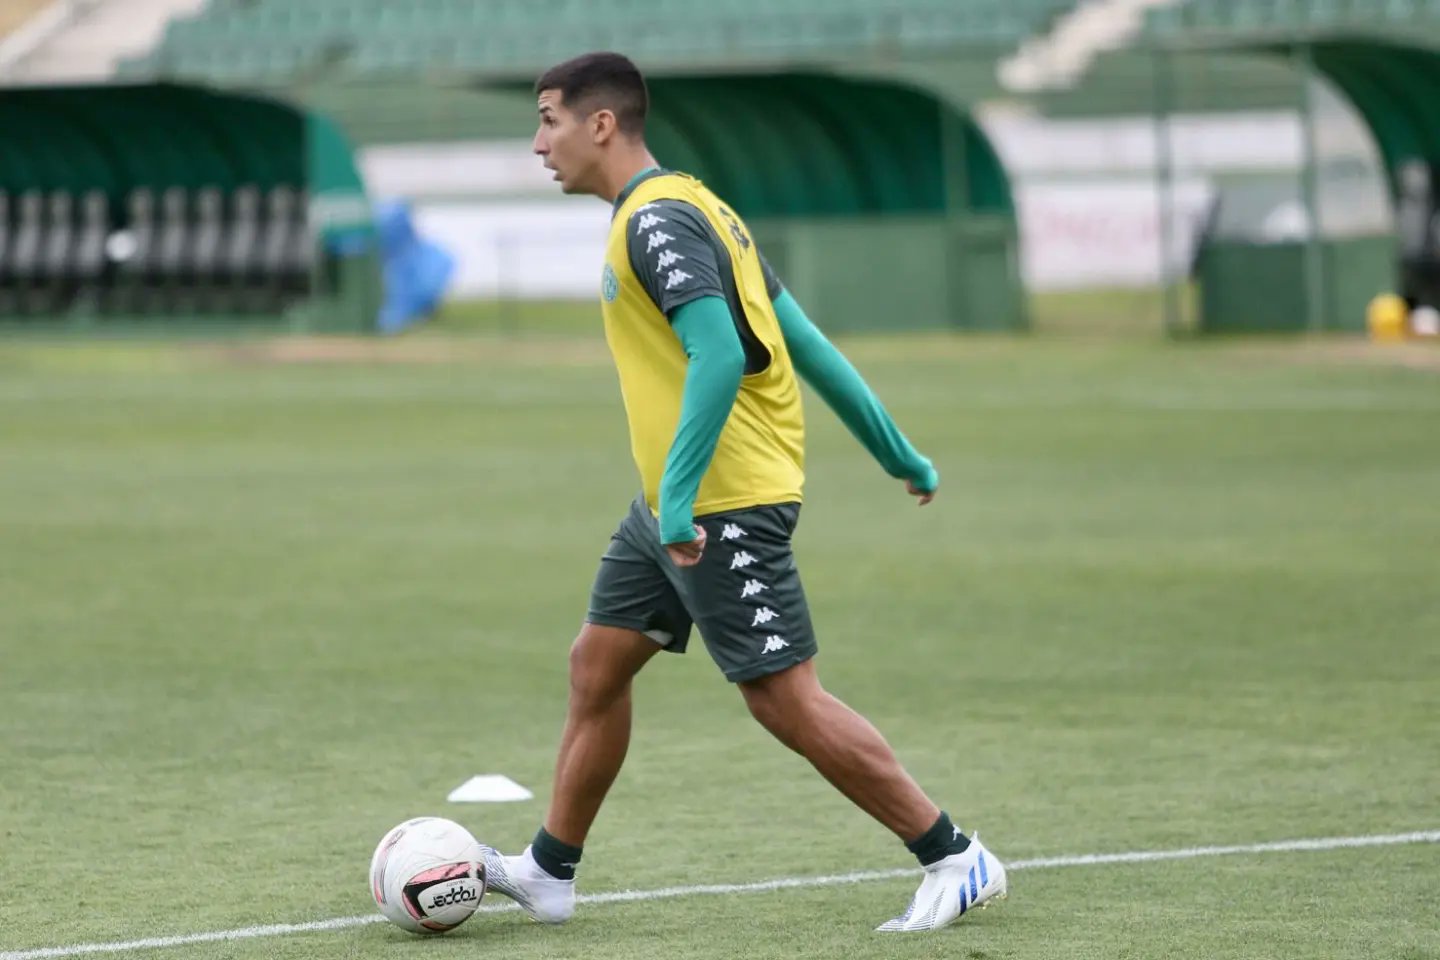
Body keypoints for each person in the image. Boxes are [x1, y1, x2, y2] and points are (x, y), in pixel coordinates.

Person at [480, 51, 1006, 933]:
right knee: (597, 664)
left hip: (718, 504)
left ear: (601, 123)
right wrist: (899, 454)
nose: (540, 143)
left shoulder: (657, 222)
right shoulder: (700, 205)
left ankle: (955, 856)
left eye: (549, 120)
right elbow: (804, 340)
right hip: (673, 504)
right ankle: (549, 871)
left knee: (784, 699)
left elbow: (722, 354)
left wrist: (681, 503)